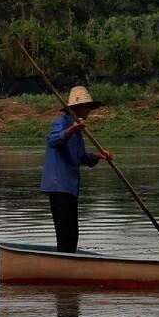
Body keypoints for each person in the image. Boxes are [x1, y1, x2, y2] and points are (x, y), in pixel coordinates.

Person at [40, 85, 111, 253]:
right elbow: (53, 141)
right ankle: (64, 265)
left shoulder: (78, 132)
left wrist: (99, 156)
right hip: (59, 186)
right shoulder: (61, 122)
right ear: (78, 107)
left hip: (70, 188)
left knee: (72, 234)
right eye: (87, 107)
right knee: (65, 232)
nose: (89, 111)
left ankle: (68, 262)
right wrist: (72, 129)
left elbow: (80, 157)